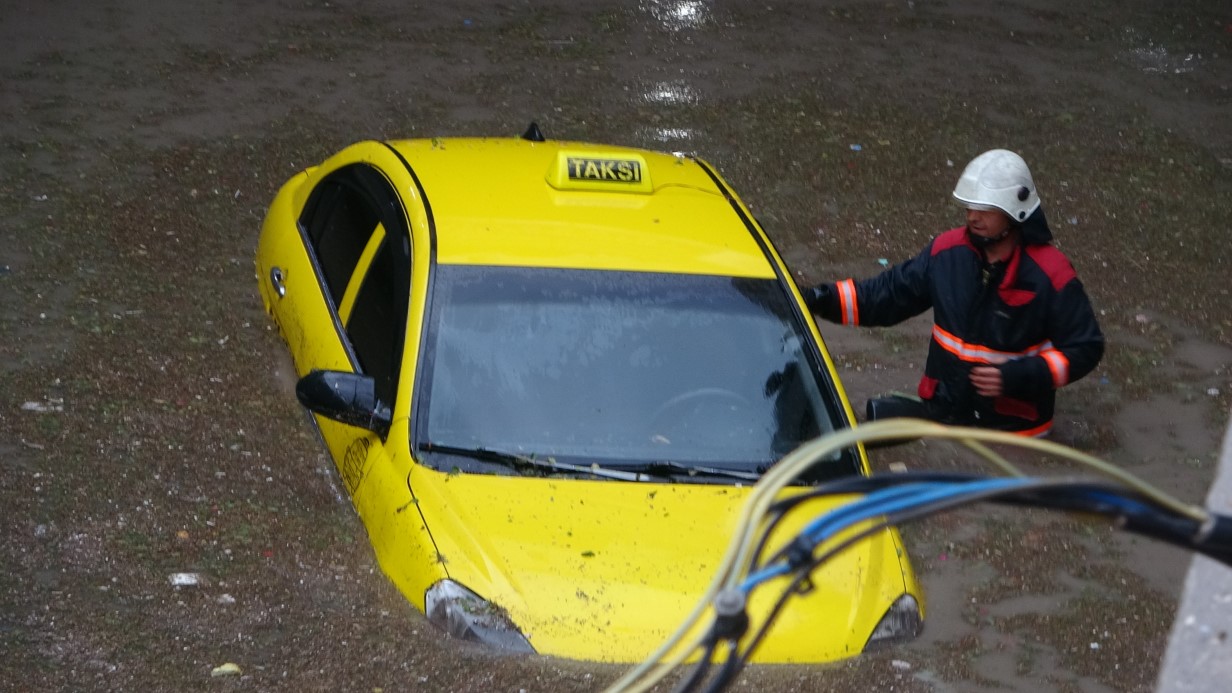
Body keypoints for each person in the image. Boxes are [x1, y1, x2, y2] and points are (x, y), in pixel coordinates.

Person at [804, 149, 1104, 436]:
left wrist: (1018, 377)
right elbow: (887, 296)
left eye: (985, 209)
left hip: (1014, 433)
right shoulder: (947, 253)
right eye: (970, 207)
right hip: (945, 417)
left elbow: (1085, 348)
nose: (973, 216)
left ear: (1015, 212)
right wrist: (819, 299)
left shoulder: (1050, 272)